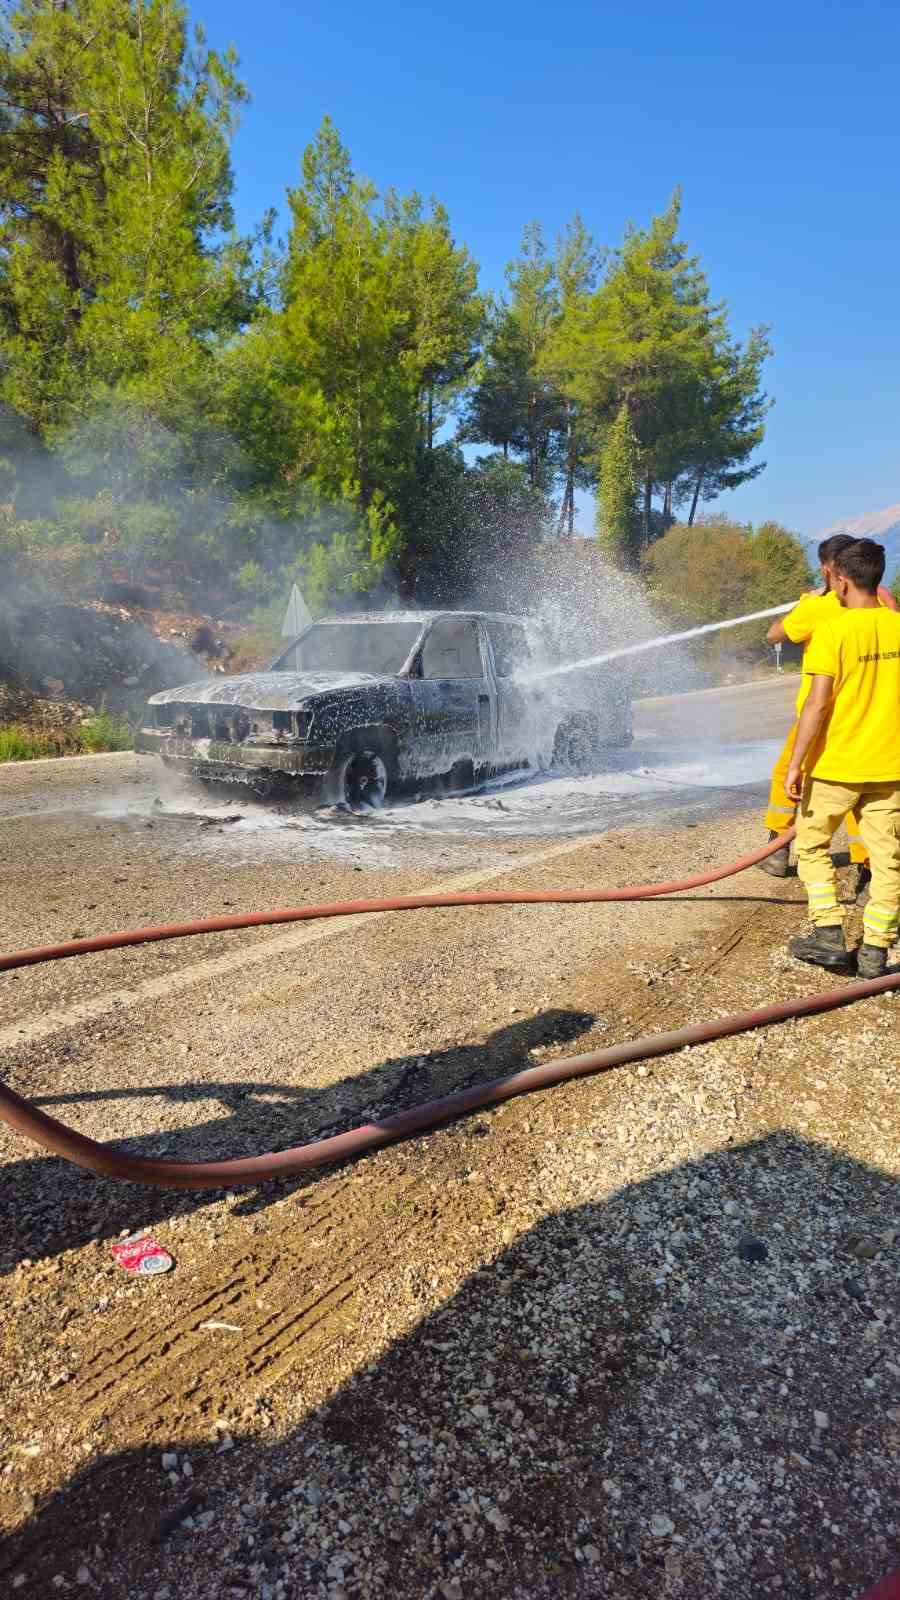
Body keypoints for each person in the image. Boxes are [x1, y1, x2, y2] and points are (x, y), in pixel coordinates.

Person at [785, 538, 900, 977]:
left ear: (842, 580)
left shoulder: (834, 632)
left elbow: (816, 705)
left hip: (835, 766)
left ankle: (828, 934)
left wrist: (796, 763)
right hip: (890, 769)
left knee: (812, 846)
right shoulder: (897, 625)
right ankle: (876, 951)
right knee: (889, 859)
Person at [759, 533, 897, 892]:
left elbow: (774, 635)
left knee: (786, 780)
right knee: (865, 803)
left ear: (831, 573)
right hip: (876, 722)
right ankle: (868, 871)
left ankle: (779, 847)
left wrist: (803, 605)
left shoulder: (818, 608)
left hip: (819, 721)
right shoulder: (883, 609)